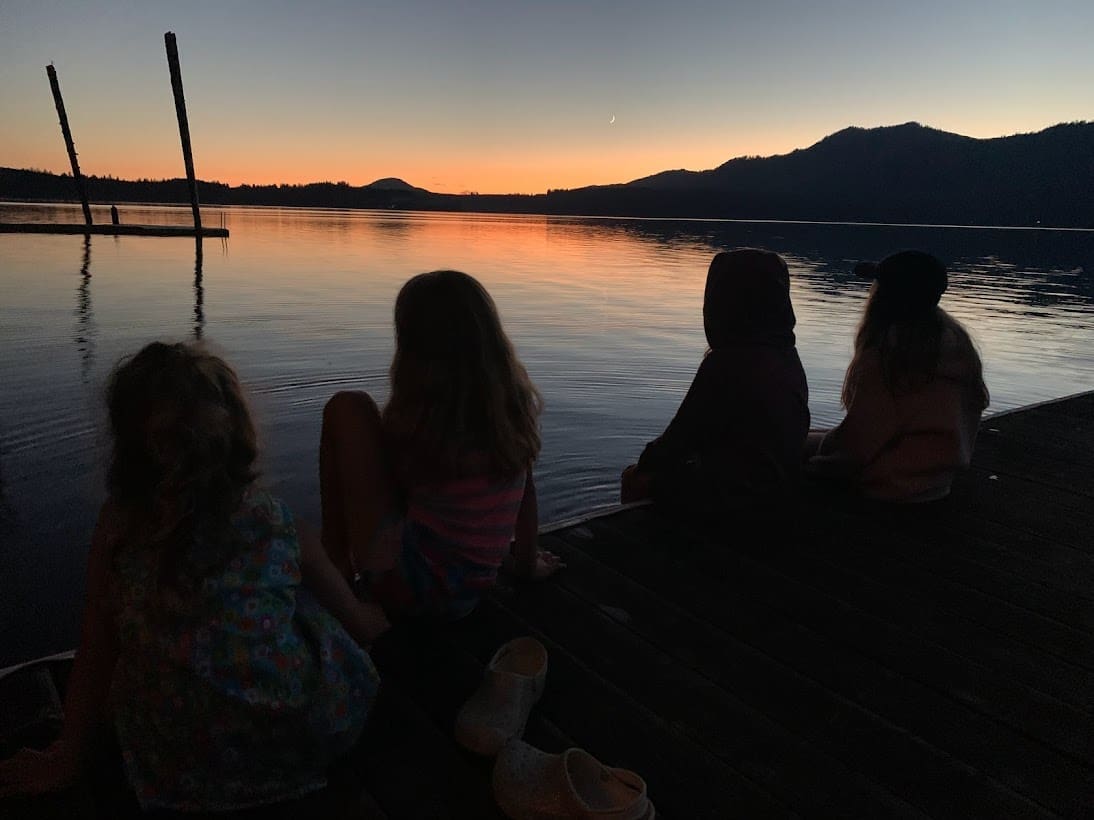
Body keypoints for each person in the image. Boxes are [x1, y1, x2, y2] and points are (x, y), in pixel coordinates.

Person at [0, 342, 384, 812]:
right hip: (289, 751)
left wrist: (65, 757)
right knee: (308, 610)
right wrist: (373, 615)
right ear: (237, 434)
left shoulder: (118, 528)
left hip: (171, 766)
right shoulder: (276, 522)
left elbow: (98, 644)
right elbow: (359, 624)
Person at [320, 270, 561, 624]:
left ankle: (336, 570)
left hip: (406, 590)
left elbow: (386, 492)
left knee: (348, 406)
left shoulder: (421, 424)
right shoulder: (508, 411)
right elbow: (526, 492)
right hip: (467, 596)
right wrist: (527, 564)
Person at [620, 248, 810, 514]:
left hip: (738, 501)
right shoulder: (788, 357)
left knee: (635, 480)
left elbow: (677, 440)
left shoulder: (727, 363)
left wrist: (642, 465)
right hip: (781, 491)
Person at [807, 250, 989, 502]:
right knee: (807, 435)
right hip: (935, 482)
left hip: (887, 485)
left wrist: (817, 460)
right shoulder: (957, 346)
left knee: (782, 449)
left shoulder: (889, 358)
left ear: (884, 298)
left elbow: (856, 449)